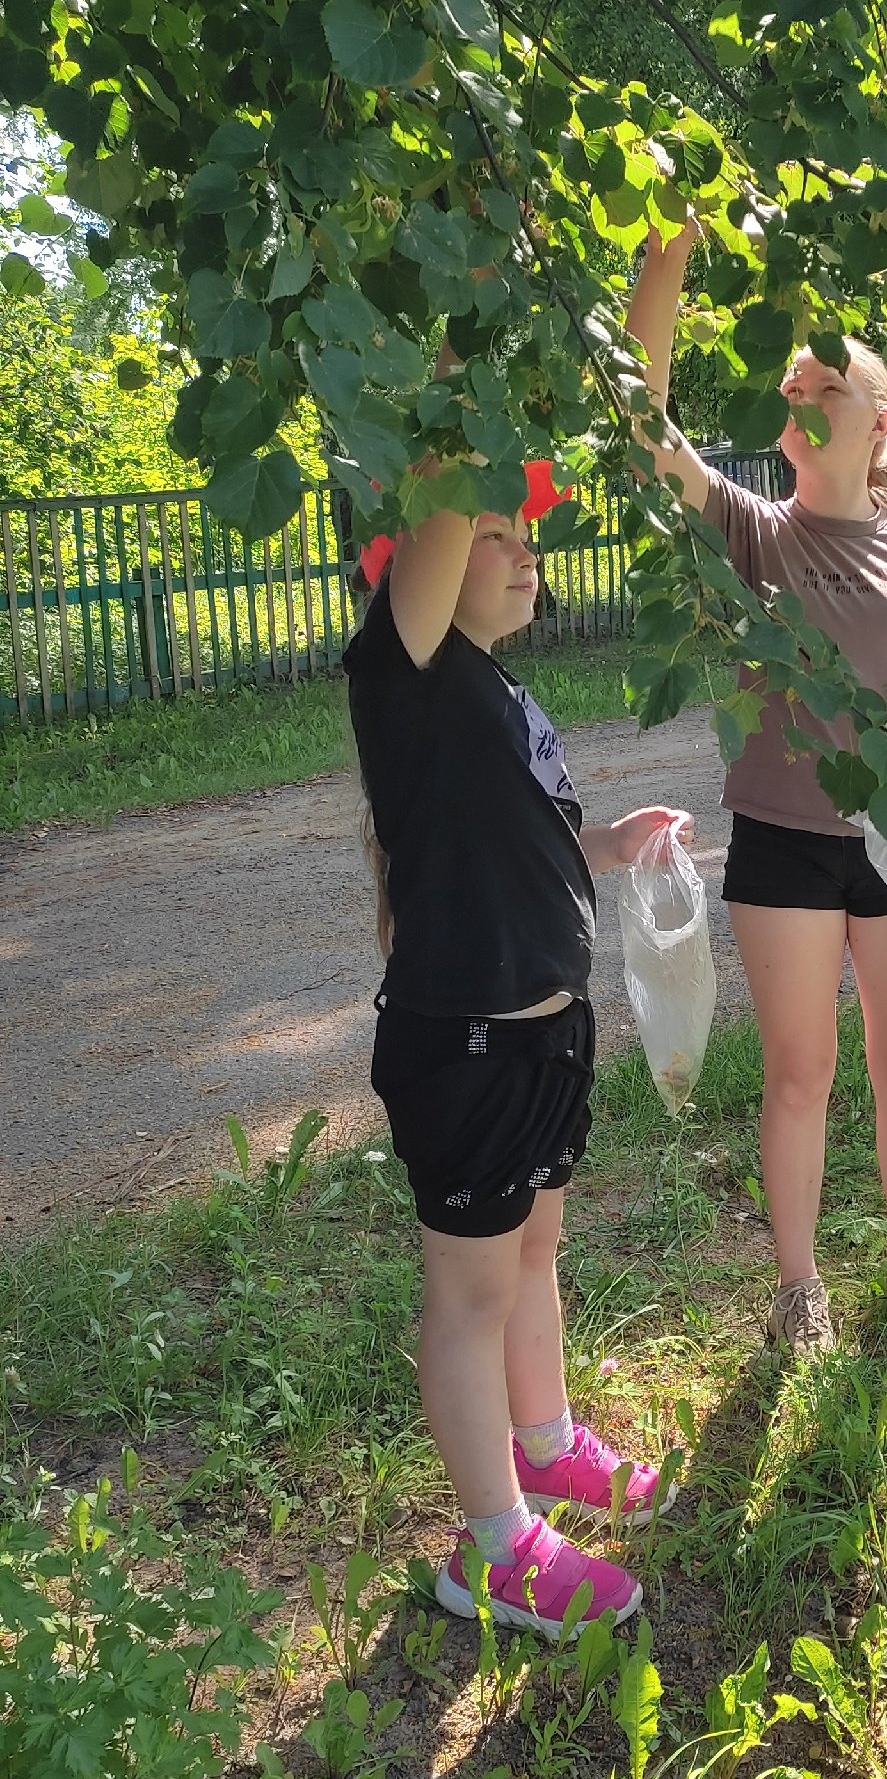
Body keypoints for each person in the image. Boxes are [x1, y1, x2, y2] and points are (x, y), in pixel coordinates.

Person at [622, 225, 887, 1361]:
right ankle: (797, 1289)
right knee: (800, 1074)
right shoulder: (755, 533)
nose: (803, 383)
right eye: (796, 378)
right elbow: (643, 429)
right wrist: (666, 263)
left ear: (878, 420)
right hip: (781, 840)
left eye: (830, 378)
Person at [346, 458, 690, 1636]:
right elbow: (438, 470)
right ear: (413, 572)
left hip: (547, 1035)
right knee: (471, 1289)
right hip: (470, 1045)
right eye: (491, 533)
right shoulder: (408, 669)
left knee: (535, 1245)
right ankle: (489, 1547)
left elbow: (518, 840)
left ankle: (542, 1448)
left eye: (521, 531)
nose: (522, 547)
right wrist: (464, 347)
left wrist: (606, 842)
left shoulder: (491, 689)